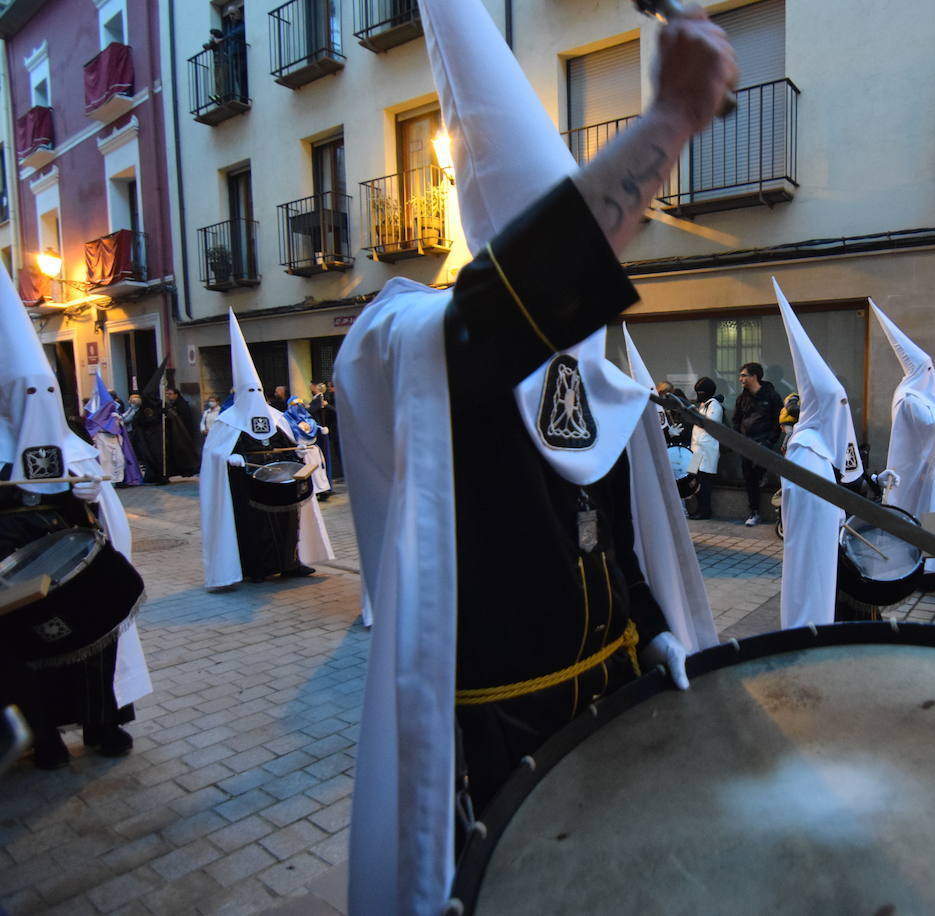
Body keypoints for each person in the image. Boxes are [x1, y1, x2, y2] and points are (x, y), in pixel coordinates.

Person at [334, 2, 733, 910]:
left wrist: (652, 625)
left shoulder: (590, 362)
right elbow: (497, 321)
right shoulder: (408, 337)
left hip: (614, 694)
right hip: (499, 733)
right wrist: (669, 118)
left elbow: (608, 522)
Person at [0, 264, 152, 769]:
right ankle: (43, 736)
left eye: (46, 392)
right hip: (17, 580)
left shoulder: (72, 445)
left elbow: (97, 517)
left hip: (78, 571)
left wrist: (87, 496)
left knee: (99, 640)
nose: (39, 404)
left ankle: (104, 722)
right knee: (25, 660)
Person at [200, 311, 334, 588]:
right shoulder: (227, 421)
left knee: (288, 524)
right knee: (254, 529)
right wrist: (228, 458)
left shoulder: (275, 416)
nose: (255, 398)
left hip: (279, 484)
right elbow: (213, 454)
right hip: (246, 488)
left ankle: (290, 562)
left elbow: (285, 443)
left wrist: (296, 453)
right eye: (249, 391)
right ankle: (257, 568)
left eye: (257, 391)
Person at [774, 278, 863, 630]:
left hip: (826, 544)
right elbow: (810, 509)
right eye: (839, 405)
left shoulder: (818, 446)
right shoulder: (806, 449)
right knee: (811, 602)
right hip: (813, 551)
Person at [871, 304, 935, 577]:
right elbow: (929, 424)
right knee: (916, 513)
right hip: (913, 472)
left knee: (926, 514)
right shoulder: (909, 398)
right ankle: (914, 566)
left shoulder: (914, 395)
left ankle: (927, 564)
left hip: (922, 470)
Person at [732, 361, 783, 526]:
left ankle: (764, 475)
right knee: (749, 479)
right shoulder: (742, 398)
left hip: (764, 445)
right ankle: (754, 512)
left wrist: (769, 441)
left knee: (759, 472)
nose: (740, 379)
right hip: (746, 445)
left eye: (743, 375)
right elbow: (736, 421)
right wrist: (739, 440)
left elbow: (779, 422)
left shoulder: (771, 396)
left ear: (754, 377)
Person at [83, 374, 142, 488]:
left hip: (114, 440)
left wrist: (119, 420)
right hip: (101, 440)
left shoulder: (114, 413)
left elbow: (121, 424)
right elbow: (91, 426)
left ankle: (118, 479)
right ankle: (108, 481)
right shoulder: (93, 414)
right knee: (105, 461)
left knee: (119, 460)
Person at [285, 396, 333, 502]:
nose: (298, 407)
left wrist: (321, 429)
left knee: (319, 472)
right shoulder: (287, 419)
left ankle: (322, 489)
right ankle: (311, 491)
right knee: (308, 473)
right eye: (295, 405)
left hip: (313, 449)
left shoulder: (308, 419)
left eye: (300, 405)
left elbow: (315, 426)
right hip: (301, 451)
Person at [687, 377, 723, 519]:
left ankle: (705, 510)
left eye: (701, 391)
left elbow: (710, 424)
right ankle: (698, 509)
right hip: (696, 450)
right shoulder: (703, 404)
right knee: (693, 480)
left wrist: (692, 415)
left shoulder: (713, 405)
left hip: (706, 450)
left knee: (704, 482)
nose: (699, 394)